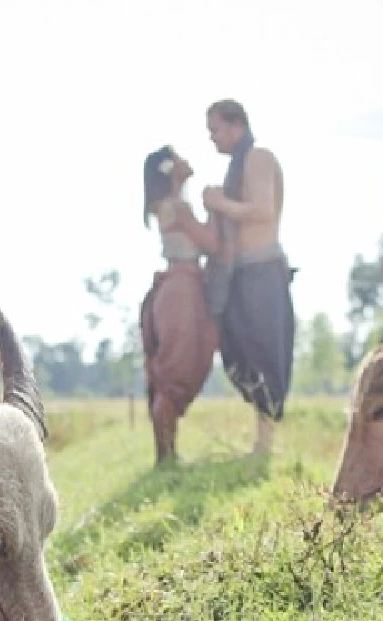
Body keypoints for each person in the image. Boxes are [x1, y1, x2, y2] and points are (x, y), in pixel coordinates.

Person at [201, 98, 295, 456]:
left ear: (236, 125)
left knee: (264, 351)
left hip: (262, 269)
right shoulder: (234, 169)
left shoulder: (258, 157)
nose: (213, 139)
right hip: (239, 275)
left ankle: (265, 443)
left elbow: (263, 211)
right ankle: (262, 437)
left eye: (216, 130)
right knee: (238, 352)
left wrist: (219, 202)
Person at [139, 145, 220, 465]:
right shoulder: (178, 207)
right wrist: (214, 208)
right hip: (182, 290)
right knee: (174, 374)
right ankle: (166, 455)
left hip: (180, 286)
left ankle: (167, 453)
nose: (188, 159)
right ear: (171, 168)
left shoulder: (169, 206)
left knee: (172, 372)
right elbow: (212, 243)